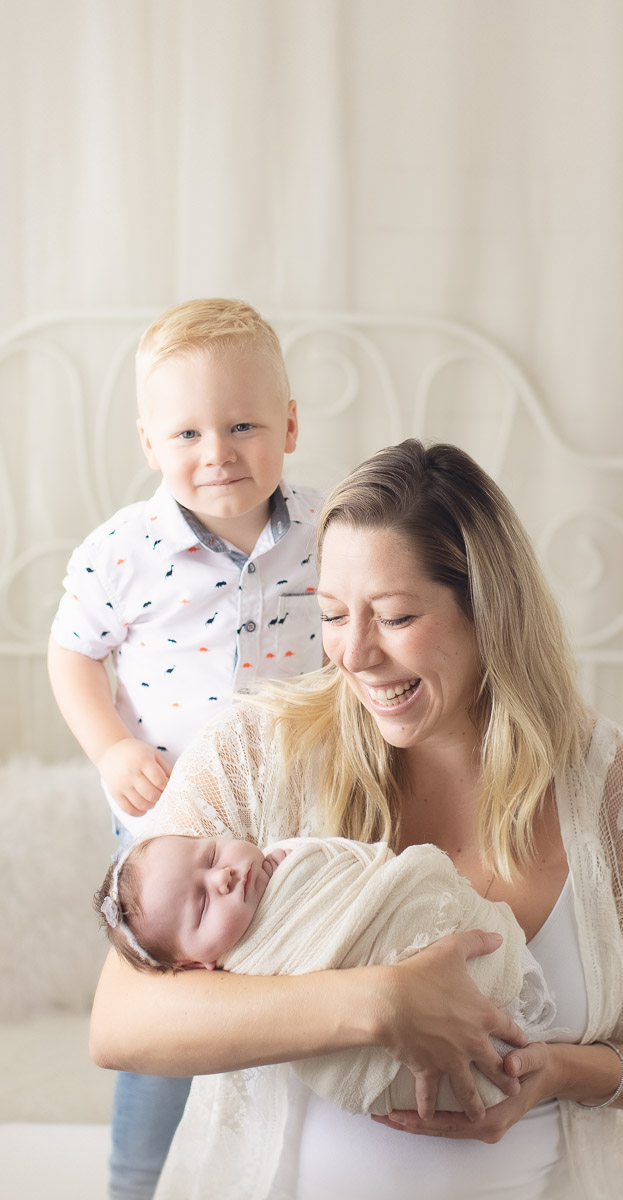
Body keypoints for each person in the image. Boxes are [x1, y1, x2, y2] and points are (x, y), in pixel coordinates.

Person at [90, 440, 623, 1200]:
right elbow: (122, 1023)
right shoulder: (257, 755)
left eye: (395, 616)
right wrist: (380, 1005)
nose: (353, 653)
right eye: (333, 615)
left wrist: (560, 1072)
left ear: (490, 610)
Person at [48, 298, 323, 1200]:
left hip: (297, 805)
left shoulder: (332, 530)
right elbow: (72, 654)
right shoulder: (124, 550)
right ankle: (138, 1178)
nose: (218, 451)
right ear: (148, 441)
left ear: (288, 423)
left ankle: (286, 1164)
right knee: (169, 1006)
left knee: (296, 974)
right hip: (169, 815)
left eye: (244, 423)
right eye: (189, 431)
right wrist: (107, 748)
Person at [94, 830, 560, 1117]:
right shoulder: (249, 964)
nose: (224, 878)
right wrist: (387, 999)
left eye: (212, 854)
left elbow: (364, 869)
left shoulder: (283, 859)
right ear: (198, 966)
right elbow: (110, 1034)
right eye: (201, 905)